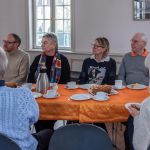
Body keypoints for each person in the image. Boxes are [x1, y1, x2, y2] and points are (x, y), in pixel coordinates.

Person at [0, 47, 53, 150]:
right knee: (49, 133)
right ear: (4, 67)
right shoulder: (23, 94)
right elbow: (34, 118)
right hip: (21, 147)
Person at [27, 33, 71, 132]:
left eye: (45, 42)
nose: (42, 45)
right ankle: (44, 136)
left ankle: (46, 136)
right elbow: (30, 77)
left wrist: (52, 89)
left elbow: (65, 81)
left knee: (46, 121)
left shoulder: (63, 60)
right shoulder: (38, 58)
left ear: (53, 45)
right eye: (42, 42)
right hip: (38, 96)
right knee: (39, 119)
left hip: (55, 97)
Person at [124, 53, 150, 150]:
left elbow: (142, 139)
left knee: (131, 122)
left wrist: (137, 116)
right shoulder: (127, 56)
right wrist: (142, 108)